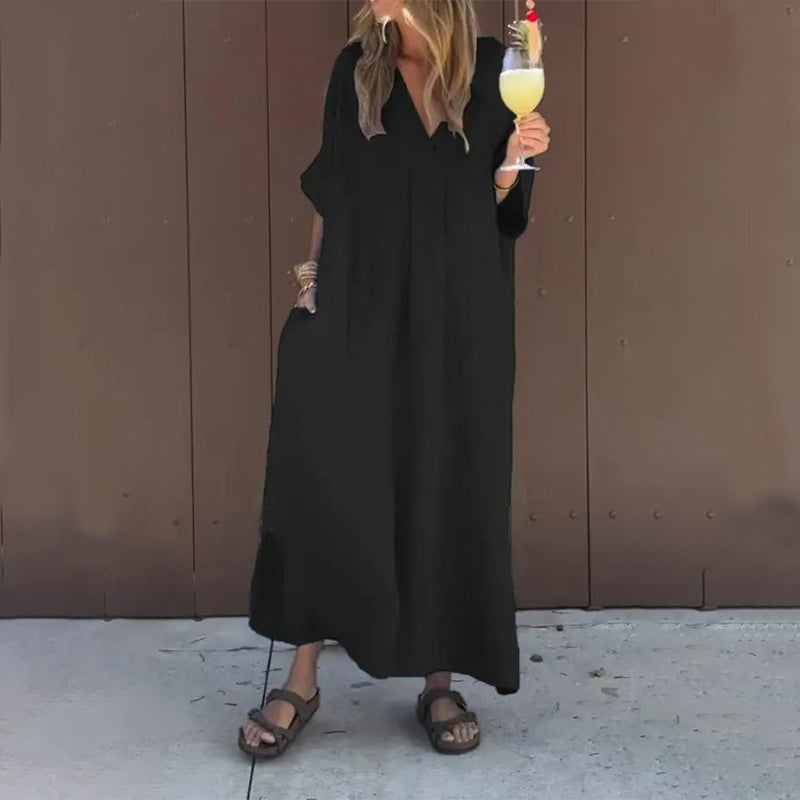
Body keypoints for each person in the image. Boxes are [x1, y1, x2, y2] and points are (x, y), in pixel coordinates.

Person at [239, 0, 550, 758]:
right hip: (360, 302)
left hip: (459, 312)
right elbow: (331, 190)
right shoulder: (358, 72)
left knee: (446, 477)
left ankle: (439, 679)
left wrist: (516, 160)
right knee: (325, 475)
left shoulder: (491, 70)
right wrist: (308, 284)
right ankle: (302, 678)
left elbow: (498, 205)